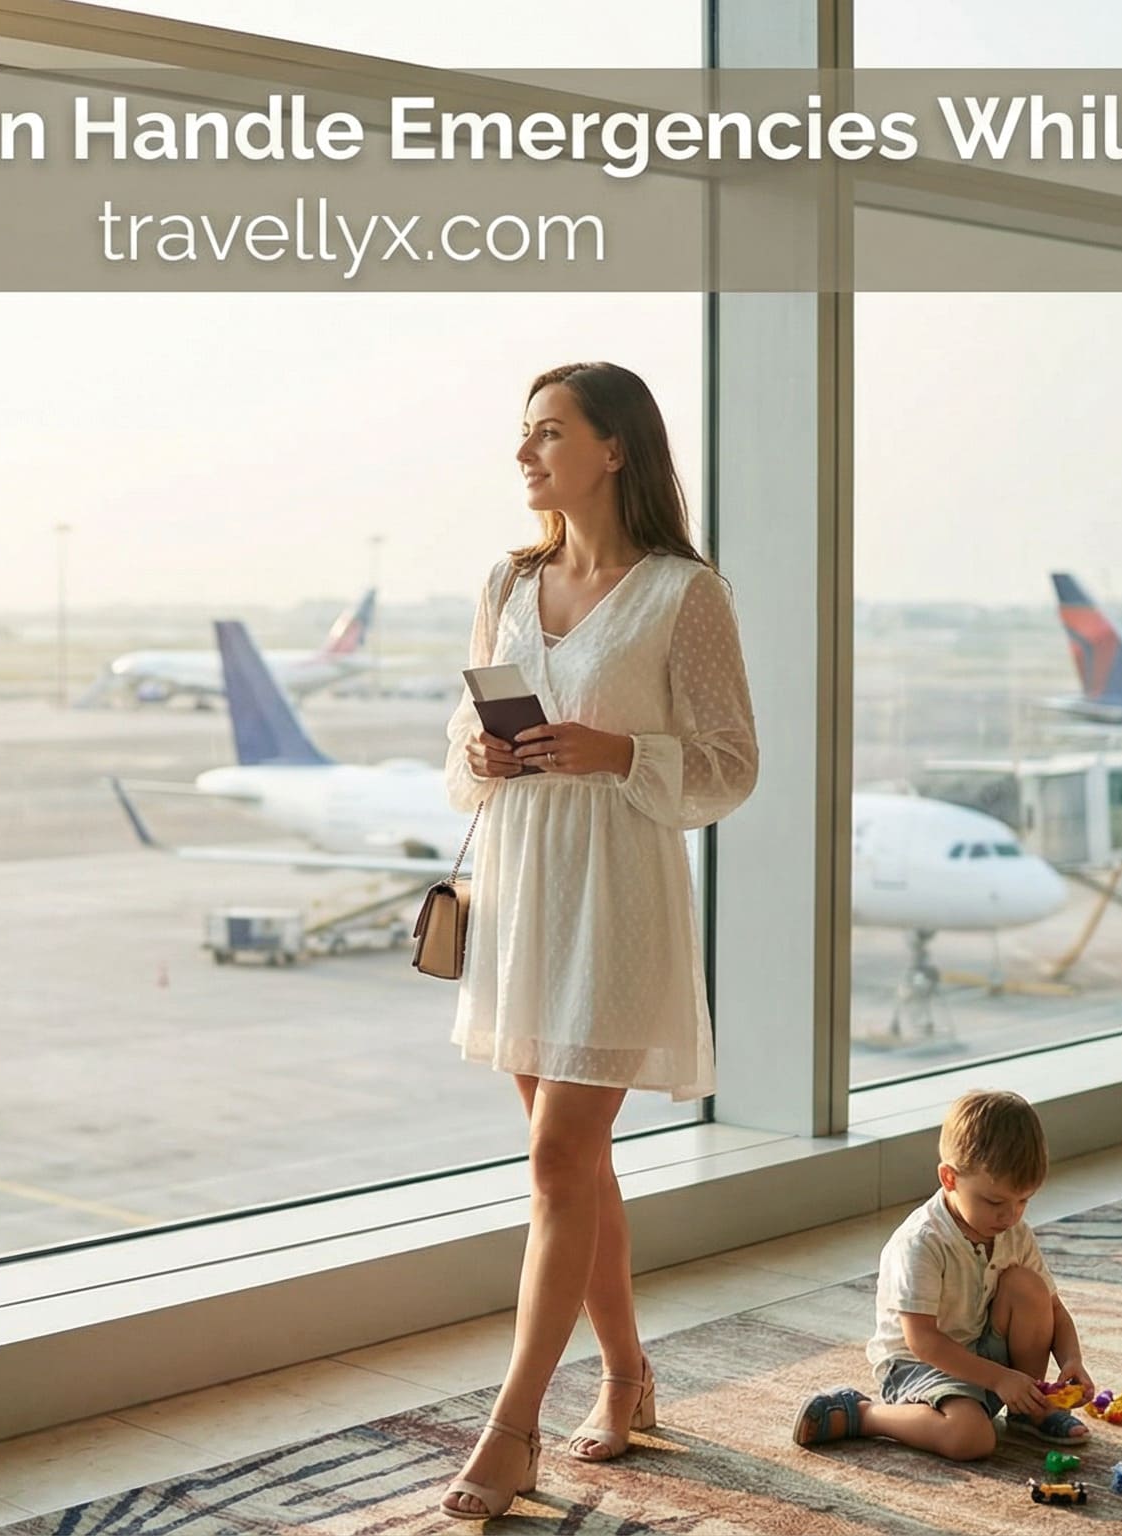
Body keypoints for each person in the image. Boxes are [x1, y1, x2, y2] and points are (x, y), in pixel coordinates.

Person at [436, 361, 758, 1520]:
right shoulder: (508, 580)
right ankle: (627, 1378)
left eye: (547, 434)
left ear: (614, 446)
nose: (524, 456)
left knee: (557, 1161)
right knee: (574, 1160)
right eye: (523, 437)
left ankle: (510, 1427)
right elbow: (460, 739)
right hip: (524, 889)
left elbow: (731, 763)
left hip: (617, 898)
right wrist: (479, 757)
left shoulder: (684, 594)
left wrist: (617, 753)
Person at [792, 1089, 1096, 1462]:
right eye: (995, 1202)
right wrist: (999, 1378)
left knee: (1028, 1288)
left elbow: (1053, 1308)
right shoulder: (923, 1241)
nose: (1011, 1216)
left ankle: (1029, 1409)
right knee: (971, 1438)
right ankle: (862, 1414)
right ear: (949, 1178)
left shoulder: (1013, 1233)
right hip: (920, 1365)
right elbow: (922, 1341)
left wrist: (1072, 1361)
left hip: (980, 1350)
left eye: (1024, 1201)